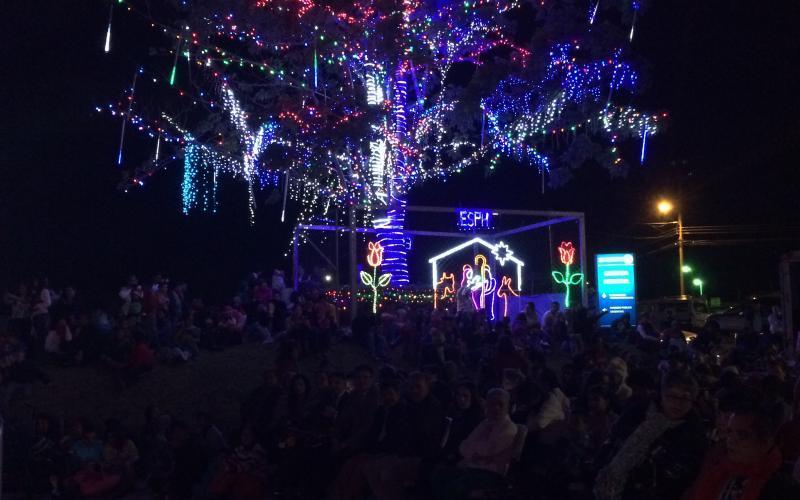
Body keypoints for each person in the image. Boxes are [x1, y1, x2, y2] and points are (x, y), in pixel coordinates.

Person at [594, 370, 708, 500]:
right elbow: (613, 439)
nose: (678, 403)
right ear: (662, 394)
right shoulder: (637, 412)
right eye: (672, 396)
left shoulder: (693, 434)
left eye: (685, 398)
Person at [684, 388, 800, 499]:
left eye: (742, 435)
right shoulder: (717, 466)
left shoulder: (781, 489)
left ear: (766, 441)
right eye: (729, 432)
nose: (731, 440)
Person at [431, 388, 520, 500]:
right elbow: (463, 446)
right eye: (492, 404)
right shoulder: (485, 423)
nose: (496, 408)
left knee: (455, 486)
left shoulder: (509, 428)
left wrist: (475, 450)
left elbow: (486, 450)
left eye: (500, 404)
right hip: (471, 467)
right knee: (438, 474)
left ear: (508, 406)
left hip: (491, 473)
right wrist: (476, 454)